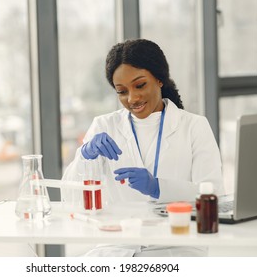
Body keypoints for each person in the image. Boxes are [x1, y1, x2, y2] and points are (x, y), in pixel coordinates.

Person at [62, 39, 224, 256]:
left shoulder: (194, 126)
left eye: (140, 85)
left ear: (159, 79)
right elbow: (69, 200)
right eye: (121, 91)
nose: (132, 98)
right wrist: (84, 155)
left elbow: (214, 197)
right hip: (117, 248)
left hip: (176, 248)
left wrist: (158, 187)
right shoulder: (104, 126)